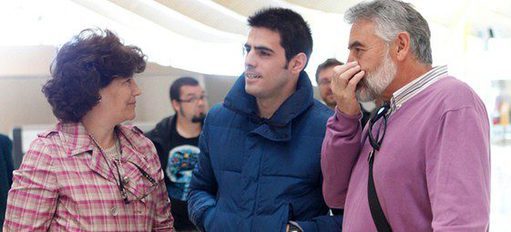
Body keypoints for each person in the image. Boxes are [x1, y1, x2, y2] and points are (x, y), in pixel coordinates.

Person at [321, 0, 491, 230]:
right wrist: (345, 116)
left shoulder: (452, 101)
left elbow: (460, 223)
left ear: (400, 45)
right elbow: (336, 194)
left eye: (358, 49)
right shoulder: (385, 114)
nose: (349, 62)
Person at [187, 8, 341, 232]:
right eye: (247, 50)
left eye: (264, 53)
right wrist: (213, 219)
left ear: (297, 63)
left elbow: (352, 214)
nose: (249, 61)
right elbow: (198, 189)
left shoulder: (327, 128)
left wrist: (299, 230)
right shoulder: (218, 119)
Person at [4, 28, 173, 231]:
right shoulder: (49, 153)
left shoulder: (142, 147)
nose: (137, 90)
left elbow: (163, 226)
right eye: (127, 81)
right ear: (93, 89)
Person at [146, 76, 208, 231]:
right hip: (172, 224)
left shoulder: (215, 134)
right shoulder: (156, 139)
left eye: (201, 97)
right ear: (176, 104)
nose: (200, 103)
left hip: (208, 221)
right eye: (191, 99)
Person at [316, 58, 371, 124]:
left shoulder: (370, 124)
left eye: (336, 80)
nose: (331, 87)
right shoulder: (314, 122)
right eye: (325, 82)